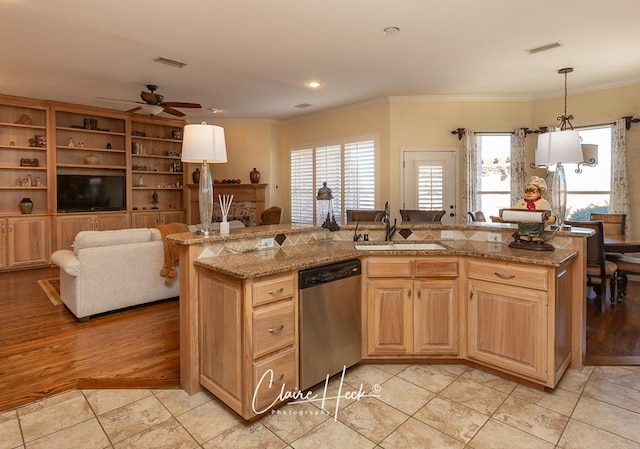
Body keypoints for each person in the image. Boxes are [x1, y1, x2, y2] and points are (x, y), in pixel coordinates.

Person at [512, 176, 556, 241]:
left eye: (533, 192)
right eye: (527, 191)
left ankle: (537, 236)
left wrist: (551, 218)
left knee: (538, 228)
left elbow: (549, 213)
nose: (529, 194)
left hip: (537, 225)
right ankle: (524, 235)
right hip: (523, 225)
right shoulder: (520, 202)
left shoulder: (543, 202)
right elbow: (513, 211)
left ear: (539, 193)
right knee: (523, 232)